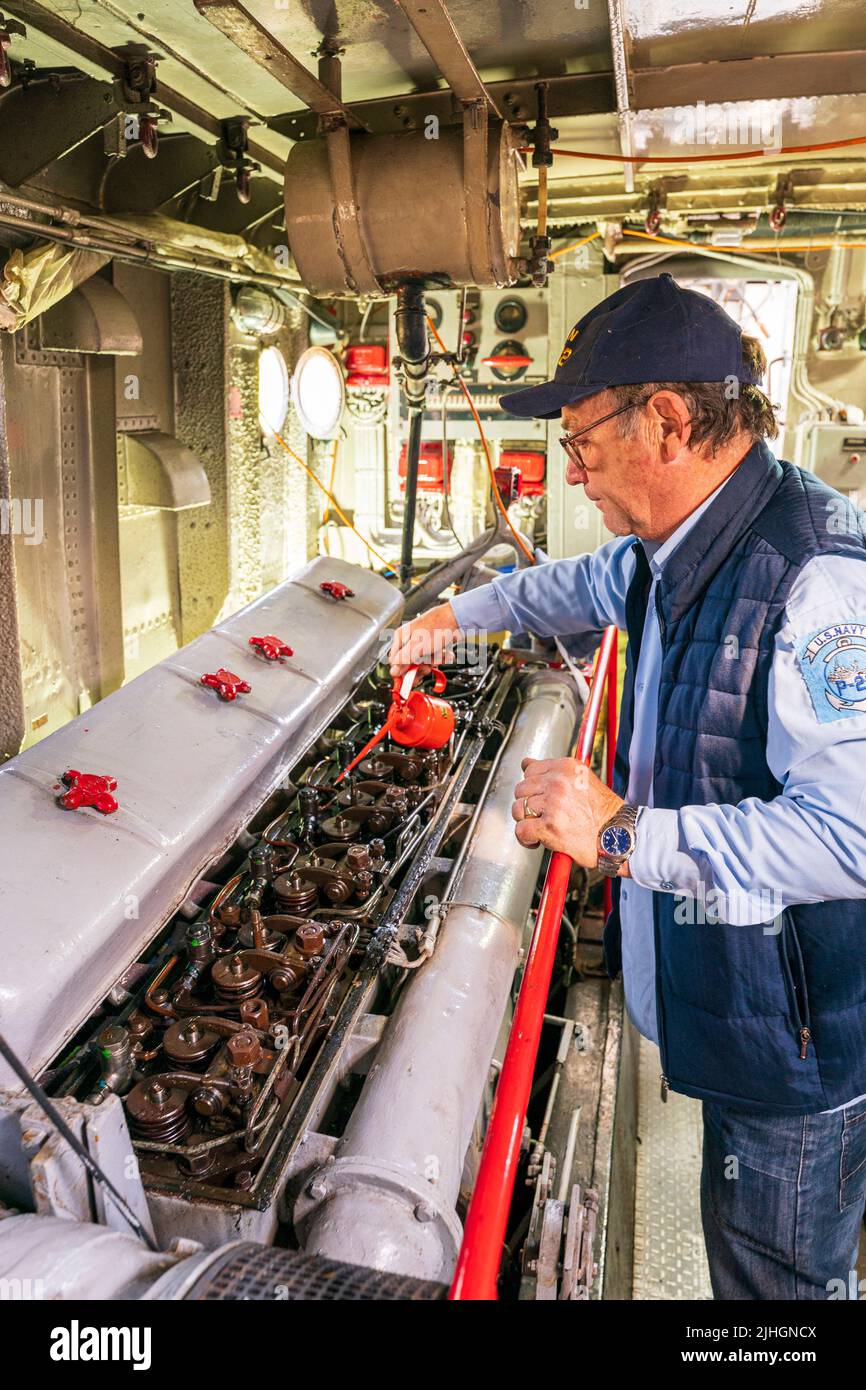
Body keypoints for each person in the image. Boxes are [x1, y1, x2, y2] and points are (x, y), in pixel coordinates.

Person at [389, 272, 866, 1300]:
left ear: (664, 422)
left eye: (581, 445)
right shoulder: (669, 548)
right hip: (729, 1019)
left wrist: (619, 833)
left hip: (794, 1054)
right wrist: (451, 620)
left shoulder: (814, 575)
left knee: (775, 1288)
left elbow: (847, 836)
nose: (576, 476)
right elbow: (566, 584)